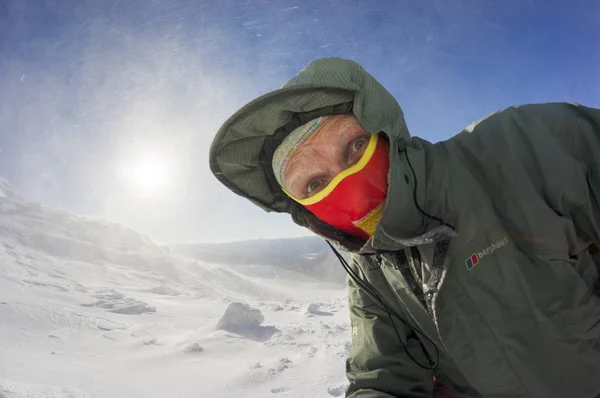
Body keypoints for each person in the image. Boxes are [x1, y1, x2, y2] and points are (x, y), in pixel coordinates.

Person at [209, 57, 600, 398]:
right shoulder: (369, 271)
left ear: (387, 131)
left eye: (356, 147)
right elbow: (383, 376)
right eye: (313, 185)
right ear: (306, 213)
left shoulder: (521, 147)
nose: (346, 183)